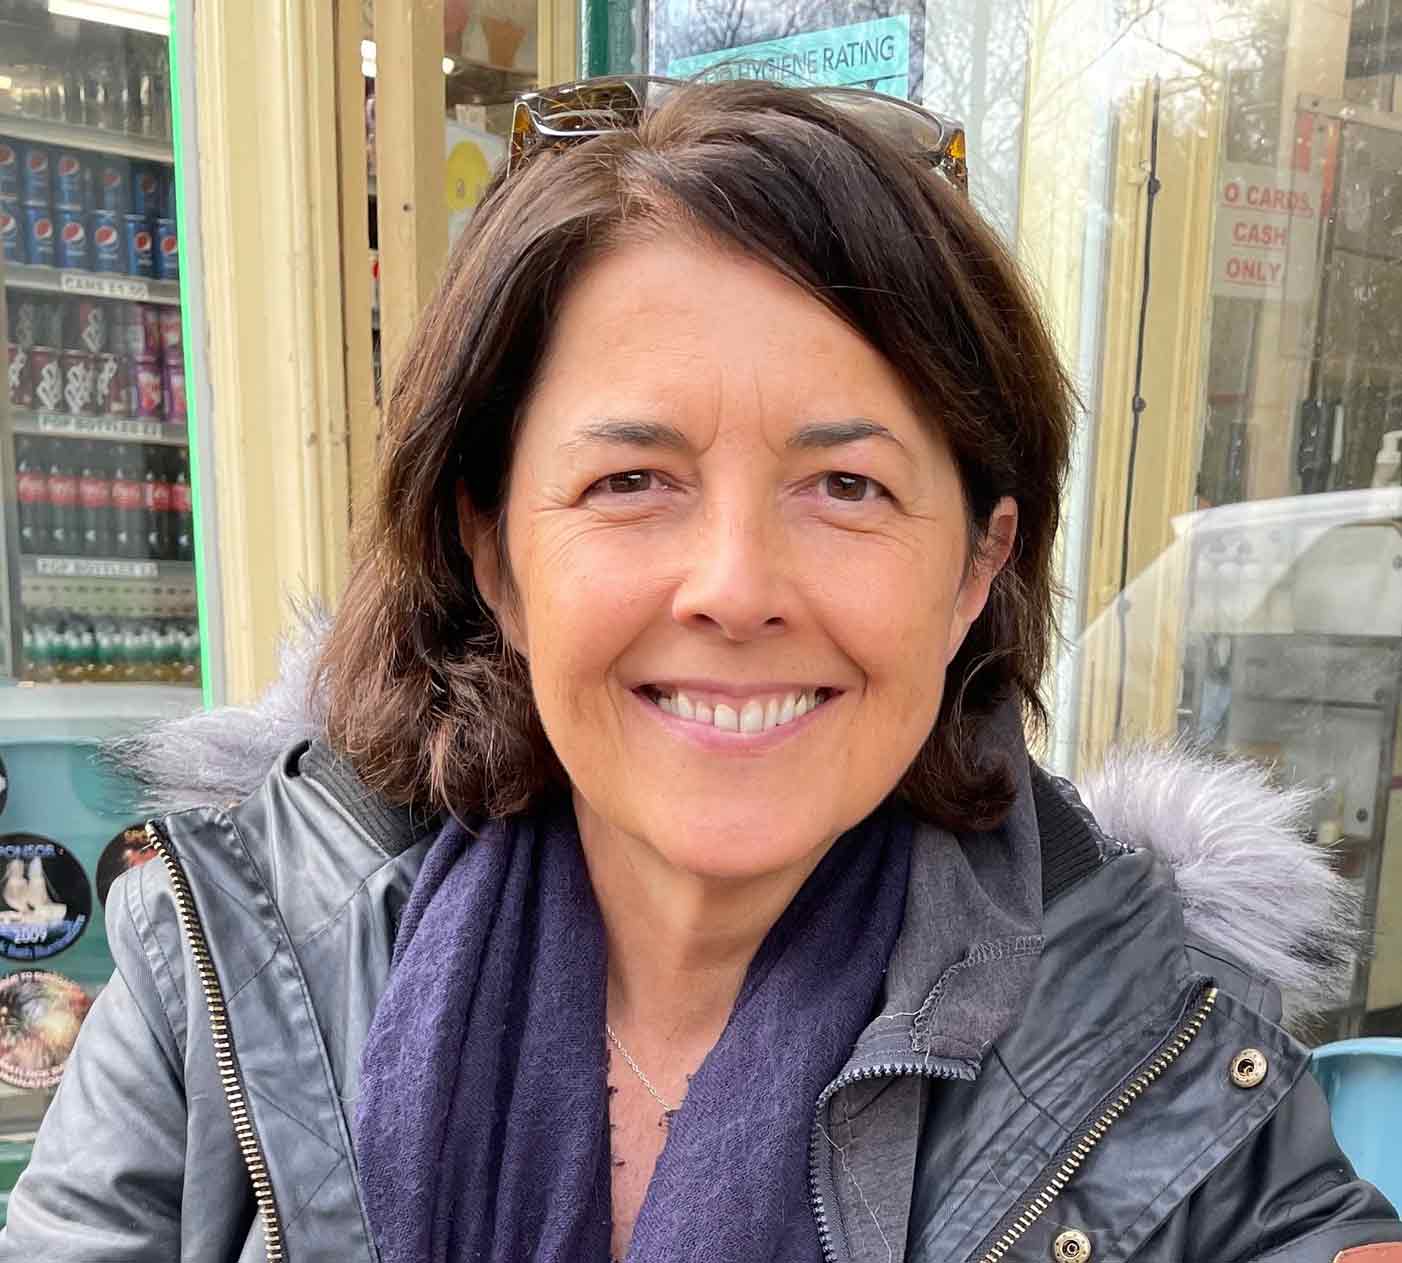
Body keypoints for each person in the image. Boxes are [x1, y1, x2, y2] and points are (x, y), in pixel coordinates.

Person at [2, 77, 1398, 1263]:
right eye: (631, 480)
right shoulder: (232, 966)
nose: (733, 587)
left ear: (975, 565)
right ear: (493, 556)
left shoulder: (1165, 1056)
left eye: (846, 485)